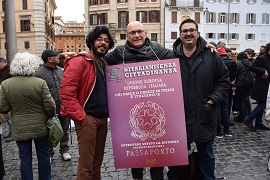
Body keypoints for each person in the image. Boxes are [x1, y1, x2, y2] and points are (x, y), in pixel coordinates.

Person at [103, 21, 175, 180]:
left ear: (145, 33)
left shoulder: (157, 49)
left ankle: (157, 177)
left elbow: (179, 55)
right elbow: (100, 61)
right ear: (127, 36)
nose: (136, 35)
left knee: (156, 146)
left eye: (139, 32)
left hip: (156, 107)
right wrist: (81, 56)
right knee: (134, 143)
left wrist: (202, 48)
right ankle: (137, 176)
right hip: (130, 108)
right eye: (132, 33)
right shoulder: (119, 52)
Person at [168, 19, 230, 180]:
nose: (188, 33)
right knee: (176, 159)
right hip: (178, 119)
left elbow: (223, 81)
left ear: (198, 33)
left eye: (191, 30)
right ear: (180, 35)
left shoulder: (212, 56)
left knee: (206, 156)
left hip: (204, 115)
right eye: (184, 31)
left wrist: (212, 101)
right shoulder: (170, 57)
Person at [60, 26, 114, 180]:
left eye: (106, 41)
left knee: (97, 163)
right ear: (91, 42)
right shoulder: (79, 61)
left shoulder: (105, 64)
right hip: (88, 119)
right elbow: (66, 93)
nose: (103, 43)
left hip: (103, 120)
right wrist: (82, 118)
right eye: (99, 39)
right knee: (86, 166)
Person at [0, 52, 55, 179]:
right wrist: (50, 115)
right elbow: (50, 106)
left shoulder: (6, 84)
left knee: (24, 159)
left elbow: (3, 108)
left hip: (20, 127)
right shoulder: (40, 83)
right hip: (40, 126)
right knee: (43, 155)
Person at [36, 50, 72, 162]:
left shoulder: (61, 71)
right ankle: (49, 153)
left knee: (65, 130)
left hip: (63, 106)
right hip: (47, 109)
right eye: (55, 56)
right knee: (49, 132)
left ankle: (65, 151)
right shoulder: (39, 74)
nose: (58, 57)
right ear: (49, 59)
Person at [245, 42, 270, 131]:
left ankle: (258, 123)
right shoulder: (262, 58)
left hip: (267, 85)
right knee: (262, 105)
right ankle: (249, 120)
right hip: (261, 85)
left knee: (262, 104)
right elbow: (252, 67)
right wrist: (263, 71)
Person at [234, 52, 254, 123]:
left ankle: (241, 116)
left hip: (241, 83)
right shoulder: (250, 63)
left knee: (240, 100)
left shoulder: (238, 63)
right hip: (249, 83)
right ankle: (246, 113)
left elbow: (235, 73)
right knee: (245, 99)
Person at [0, 58, 12, 142]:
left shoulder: (9, 71)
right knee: (6, 116)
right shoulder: (2, 71)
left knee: (9, 116)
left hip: (8, 95)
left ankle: (12, 132)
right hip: (3, 94)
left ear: (3, 63)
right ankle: (11, 132)